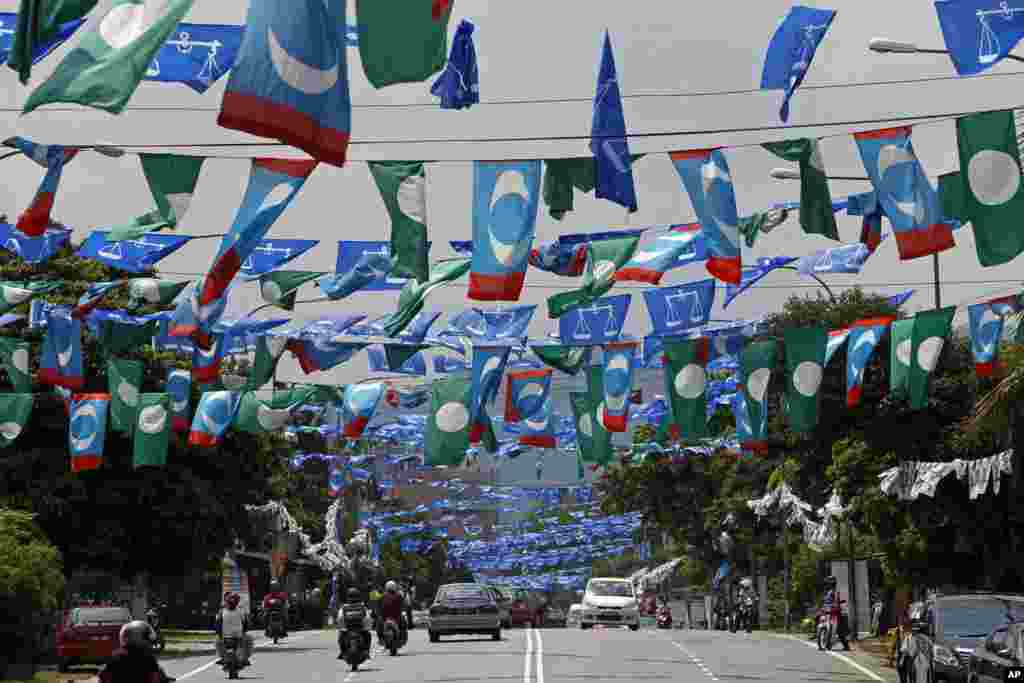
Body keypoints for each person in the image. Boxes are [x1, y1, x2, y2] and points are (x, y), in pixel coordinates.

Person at [98, 620, 175, 683]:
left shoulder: (114, 657)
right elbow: (158, 677)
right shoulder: (148, 659)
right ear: (141, 639)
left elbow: (102, 677)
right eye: (147, 639)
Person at [215, 593, 252, 667]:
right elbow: (246, 623)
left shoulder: (222, 611)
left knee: (218, 642)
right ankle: (244, 658)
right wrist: (244, 631)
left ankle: (223, 657)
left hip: (227, 636)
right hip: (237, 636)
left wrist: (219, 634)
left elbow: (217, 624)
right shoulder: (241, 611)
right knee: (248, 639)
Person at [337, 588, 372, 660]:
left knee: (341, 637)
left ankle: (342, 652)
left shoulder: (344, 607)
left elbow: (340, 619)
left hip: (348, 629)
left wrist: (342, 628)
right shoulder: (362, 606)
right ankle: (367, 652)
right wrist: (366, 628)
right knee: (368, 635)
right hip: (359, 629)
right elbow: (368, 619)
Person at [378, 581, 407, 646]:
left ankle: (381, 639)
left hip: (388, 618)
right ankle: (403, 638)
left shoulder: (382, 596)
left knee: (379, 624)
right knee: (403, 624)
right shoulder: (398, 596)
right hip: (395, 617)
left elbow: (378, 607)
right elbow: (403, 605)